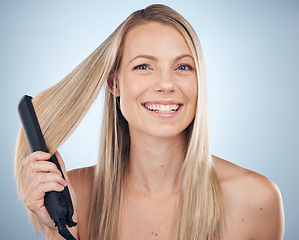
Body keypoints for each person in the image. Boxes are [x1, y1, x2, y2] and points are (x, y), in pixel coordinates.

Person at [14, 4, 284, 240]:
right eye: (143, 66)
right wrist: (60, 231)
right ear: (114, 83)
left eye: (183, 67)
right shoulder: (74, 199)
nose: (166, 84)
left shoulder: (256, 200)